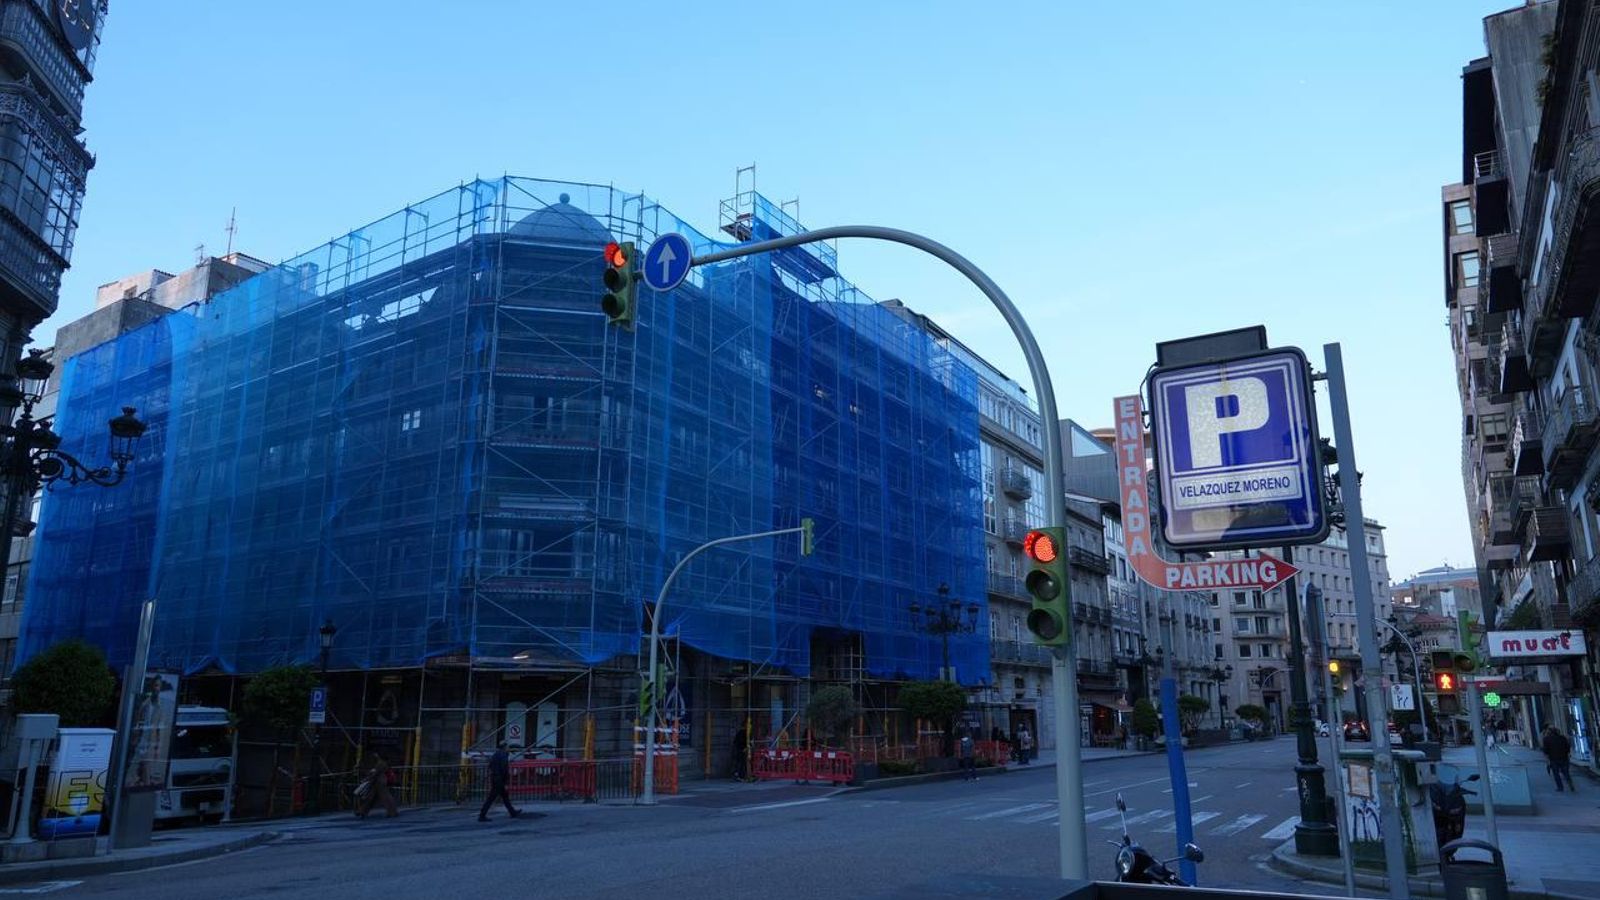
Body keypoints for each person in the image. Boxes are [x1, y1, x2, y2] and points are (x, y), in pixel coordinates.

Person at [479, 742, 522, 821]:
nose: (509, 749)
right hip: (499, 780)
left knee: (504, 797)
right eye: (508, 747)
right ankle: (482, 815)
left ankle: (512, 812)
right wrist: (505, 781)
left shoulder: (496, 755)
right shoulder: (503, 755)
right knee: (492, 798)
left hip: (495, 778)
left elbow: (491, 765)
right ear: (505, 747)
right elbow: (504, 769)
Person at [355, 754, 399, 819]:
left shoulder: (380, 764)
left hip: (378, 782)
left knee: (377, 798)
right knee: (375, 798)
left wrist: (367, 778)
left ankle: (362, 811)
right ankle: (362, 811)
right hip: (379, 782)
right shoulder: (383, 764)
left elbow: (375, 773)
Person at [1541, 725, 1574, 793]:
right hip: (1564, 758)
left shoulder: (1546, 739)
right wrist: (1567, 754)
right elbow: (1567, 748)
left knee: (1556, 774)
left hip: (1554, 759)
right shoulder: (1562, 738)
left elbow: (1545, 750)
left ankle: (1560, 787)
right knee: (1566, 773)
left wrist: (1547, 758)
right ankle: (1570, 784)